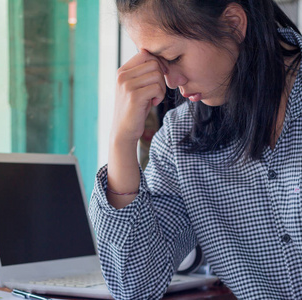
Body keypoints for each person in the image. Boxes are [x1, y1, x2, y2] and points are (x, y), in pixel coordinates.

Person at [88, 0, 302, 299]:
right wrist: (121, 141)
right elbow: (134, 288)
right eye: (158, 66)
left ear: (233, 23)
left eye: (174, 57)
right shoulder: (180, 141)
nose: (171, 83)